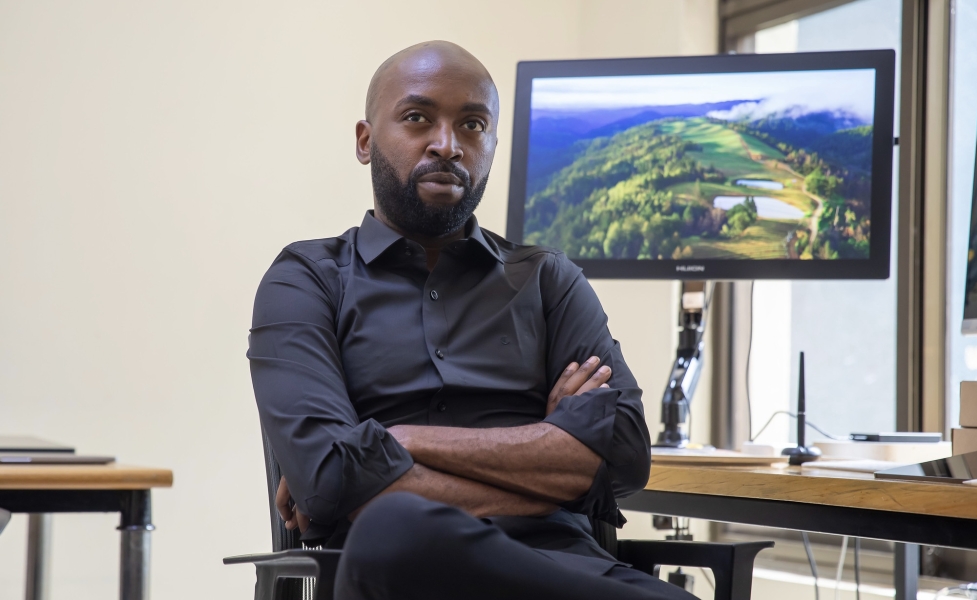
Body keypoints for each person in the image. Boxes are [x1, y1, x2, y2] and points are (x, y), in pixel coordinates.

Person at [248, 40, 694, 600]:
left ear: (492, 144)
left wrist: (397, 440)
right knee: (395, 527)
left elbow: (625, 455)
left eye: (473, 125)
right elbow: (329, 481)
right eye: (417, 118)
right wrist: (553, 462)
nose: (447, 145)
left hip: (563, 567)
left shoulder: (548, 279)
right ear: (365, 141)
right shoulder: (306, 278)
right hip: (399, 571)